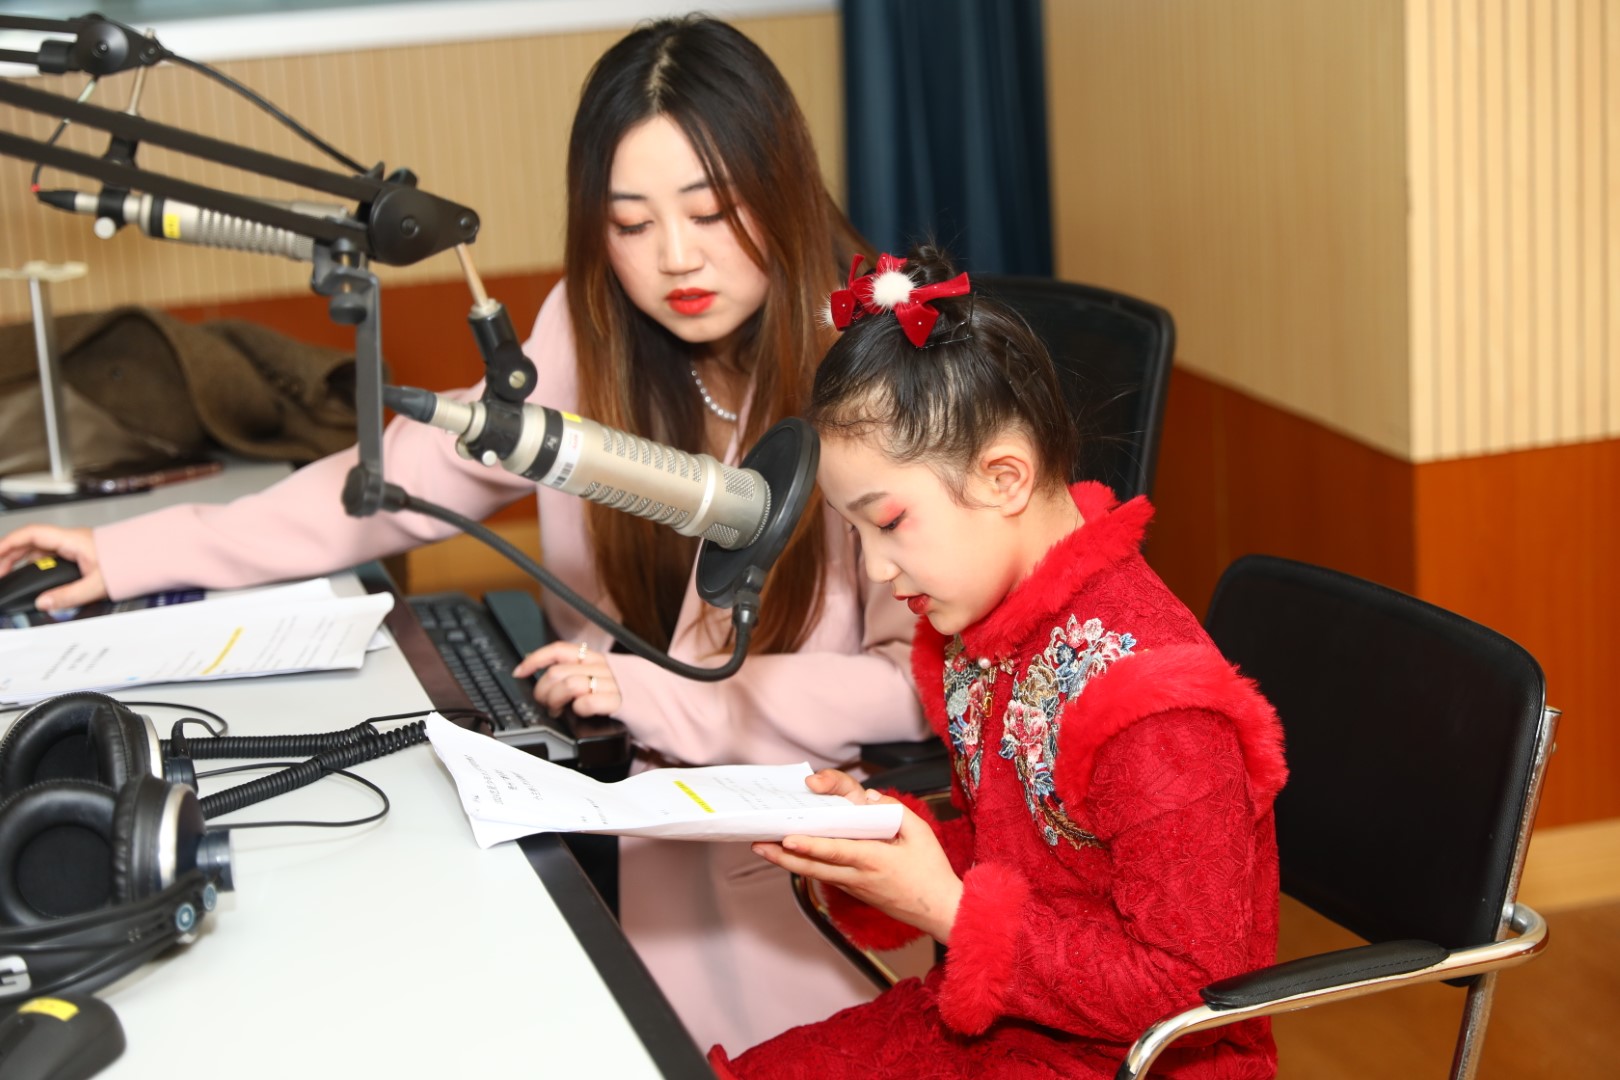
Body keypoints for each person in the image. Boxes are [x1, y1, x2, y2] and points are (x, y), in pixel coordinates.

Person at [0, 18, 927, 1051]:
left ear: (784, 189)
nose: (675, 257)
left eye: (711, 212)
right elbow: (402, 482)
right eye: (629, 224)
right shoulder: (590, 329)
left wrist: (664, 696)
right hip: (623, 814)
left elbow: (917, 686)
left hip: (794, 868)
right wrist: (130, 553)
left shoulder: (875, 372)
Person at [709, 246, 1289, 1078]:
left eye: (889, 522)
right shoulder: (987, 630)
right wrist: (881, 846)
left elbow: (1192, 990)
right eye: (855, 533)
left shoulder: (1151, 702)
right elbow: (1021, 864)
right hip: (1010, 1022)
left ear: (1005, 477)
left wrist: (946, 908)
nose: (875, 568)